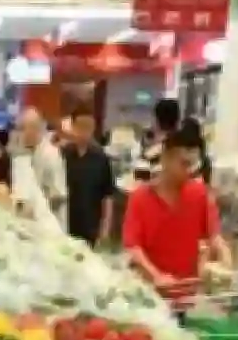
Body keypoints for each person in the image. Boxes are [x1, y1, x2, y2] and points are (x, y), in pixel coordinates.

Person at [121, 123, 226, 293]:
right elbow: (133, 246)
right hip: (149, 291)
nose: (189, 171)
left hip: (185, 292)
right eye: (184, 164)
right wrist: (156, 276)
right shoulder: (140, 197)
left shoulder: (199, 194)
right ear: (165, 158)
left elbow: (214, 237)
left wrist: (223, 259)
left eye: (193, 165)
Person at [59, 108, 118, 246]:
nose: (84, 132)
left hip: (90, 227)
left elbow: (108, 196)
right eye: (80, 126)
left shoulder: (101, 158)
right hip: (65, 223)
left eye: (88, 127)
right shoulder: (63, 155)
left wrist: (105, 228)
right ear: (72, 127)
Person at [8, 108, 65, 230]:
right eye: (19, 129)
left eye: (23, 129)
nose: (20, 134)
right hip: (29, 225)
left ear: (35, 129)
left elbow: (59, 196)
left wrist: (38, 209)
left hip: (50, 226)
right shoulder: (22, 155)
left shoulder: (51, 155)